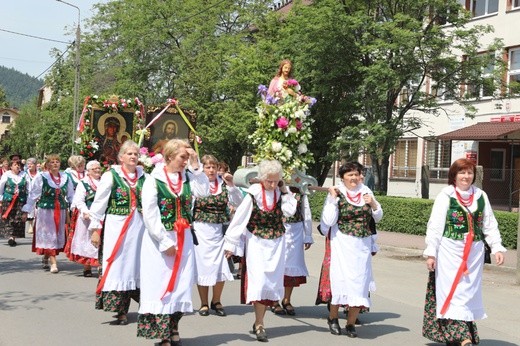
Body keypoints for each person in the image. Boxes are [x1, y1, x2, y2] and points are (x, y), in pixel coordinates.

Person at [422, 158, 506, 346]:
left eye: (469, 173)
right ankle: (462, 337)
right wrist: (431, 253)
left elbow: (489, 224)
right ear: (454, 175)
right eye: (462, 173)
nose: (466, 176)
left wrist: (497, 247)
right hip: (449, 250)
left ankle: (459, 334)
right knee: (452, 291)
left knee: (468, 292)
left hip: (474, 253)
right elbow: (435, 226)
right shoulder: (446, 195)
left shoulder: (481, 195)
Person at [138, 139, 209, 346]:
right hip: (159, 240)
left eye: (187, 157)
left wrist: (196, 165)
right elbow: (150, 214)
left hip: (184, 237)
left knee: (181, 283)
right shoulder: (154, 180)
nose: (185, 161)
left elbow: (203, 192)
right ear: (169, 157)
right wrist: (163, 240)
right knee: (159, 282)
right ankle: (163, 333)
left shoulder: (188, 177)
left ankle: (174, 326)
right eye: (183, 157)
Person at [224, 159, 296, 342]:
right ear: (262, 179)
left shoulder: (281, 193)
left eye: (275, 181)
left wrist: (286, 191)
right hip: (256, 242)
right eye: (269, 181)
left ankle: (260, 320)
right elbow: (240, 218)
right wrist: (231, 244)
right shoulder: (254, 193)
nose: (272, 184)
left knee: (270, 282)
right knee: (259, 282)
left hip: (277, 243)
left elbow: (289, 212)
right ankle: (259, 323)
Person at [320, 161, 382, 338]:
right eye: (350, 175)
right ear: (343, 177)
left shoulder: (366, 192)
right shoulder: (337, 193)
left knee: (359, 283)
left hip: (362, 245)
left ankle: (351, 323)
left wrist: (374, 205)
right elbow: (329, 220)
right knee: (340, 282)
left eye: (356, 174)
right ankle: (333, 318)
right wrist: (332, 200)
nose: (354, 178)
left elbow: (377, 218)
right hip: (342, 243)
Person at [89, 140, 146, 326]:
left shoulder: (145, 177)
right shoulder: (111, 176)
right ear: (121, 157)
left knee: (138, 265)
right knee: (119, 265)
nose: (133, 157)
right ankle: (121, 310)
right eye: (129, 153)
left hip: (140, 228)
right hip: (117, 227)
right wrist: (96, 230)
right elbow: (99, 205)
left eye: (136, 154)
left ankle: (146, 306)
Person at [193, 155, 243, 318]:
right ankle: (204, 303)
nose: (211, 170)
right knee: (203, 266)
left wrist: (231, 184)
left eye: (214, 167)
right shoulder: (197, 184)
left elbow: (238, 202)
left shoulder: (224, 185)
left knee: (221, 266)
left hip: (220, 230)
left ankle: (217, 300)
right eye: (208, 167)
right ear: (202, 169)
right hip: (201, 229)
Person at [22, 154, 75, 273]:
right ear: (48, 165)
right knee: (49, 234)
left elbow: (71, 195)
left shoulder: (66, 177)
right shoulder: (42, 177)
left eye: (57, 162)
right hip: (45, 212)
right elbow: (33, 194)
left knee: (56, 235)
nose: (55, 164)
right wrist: (26, 210)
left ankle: (46, 257)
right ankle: (54, 263)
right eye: (52, 162)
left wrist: (76, 208)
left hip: (60, 210)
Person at [271, 185, 313, 316]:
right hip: (279, 228)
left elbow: (306, 212)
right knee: (277, 266)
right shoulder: (276, 188)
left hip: (296, 231)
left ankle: (287, 299)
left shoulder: (300, 191)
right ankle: (274, 300)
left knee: (292, 267)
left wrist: (308, 235)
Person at [65, 160, 101, 277]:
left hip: (100, 216)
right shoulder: (83, 183)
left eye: (98, 168)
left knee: (100, 241)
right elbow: (79, 200)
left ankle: (100, 266)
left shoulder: (104, 182)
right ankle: (87, 267)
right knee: (87, 241)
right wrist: (85, 212)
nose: (97, 170)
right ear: (89, 171)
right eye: (94, 169)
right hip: (87, 216)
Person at [0, 160, 29, 246]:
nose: (17, 166)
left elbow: (29, 188)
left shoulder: (24, 175)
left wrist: (28, 201)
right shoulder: (7, 175)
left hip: (20, 200)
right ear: (11, 166)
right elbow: (1, 187)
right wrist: (1, 199)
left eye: (18, 165)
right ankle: (10, 237)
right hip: (8, 200)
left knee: (18, 219)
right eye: (15, 165)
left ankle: (13, 237)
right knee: (9, 218)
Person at [24, 157, 39, 234]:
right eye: (28, 164)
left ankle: (35, 226)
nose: (29, 165)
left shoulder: (40, 174)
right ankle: (30, 226)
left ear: (35, 165)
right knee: (30, 210)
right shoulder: (25, 174)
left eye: (31, 164)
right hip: (28, 194)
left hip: (37, 194)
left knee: (37, 210)